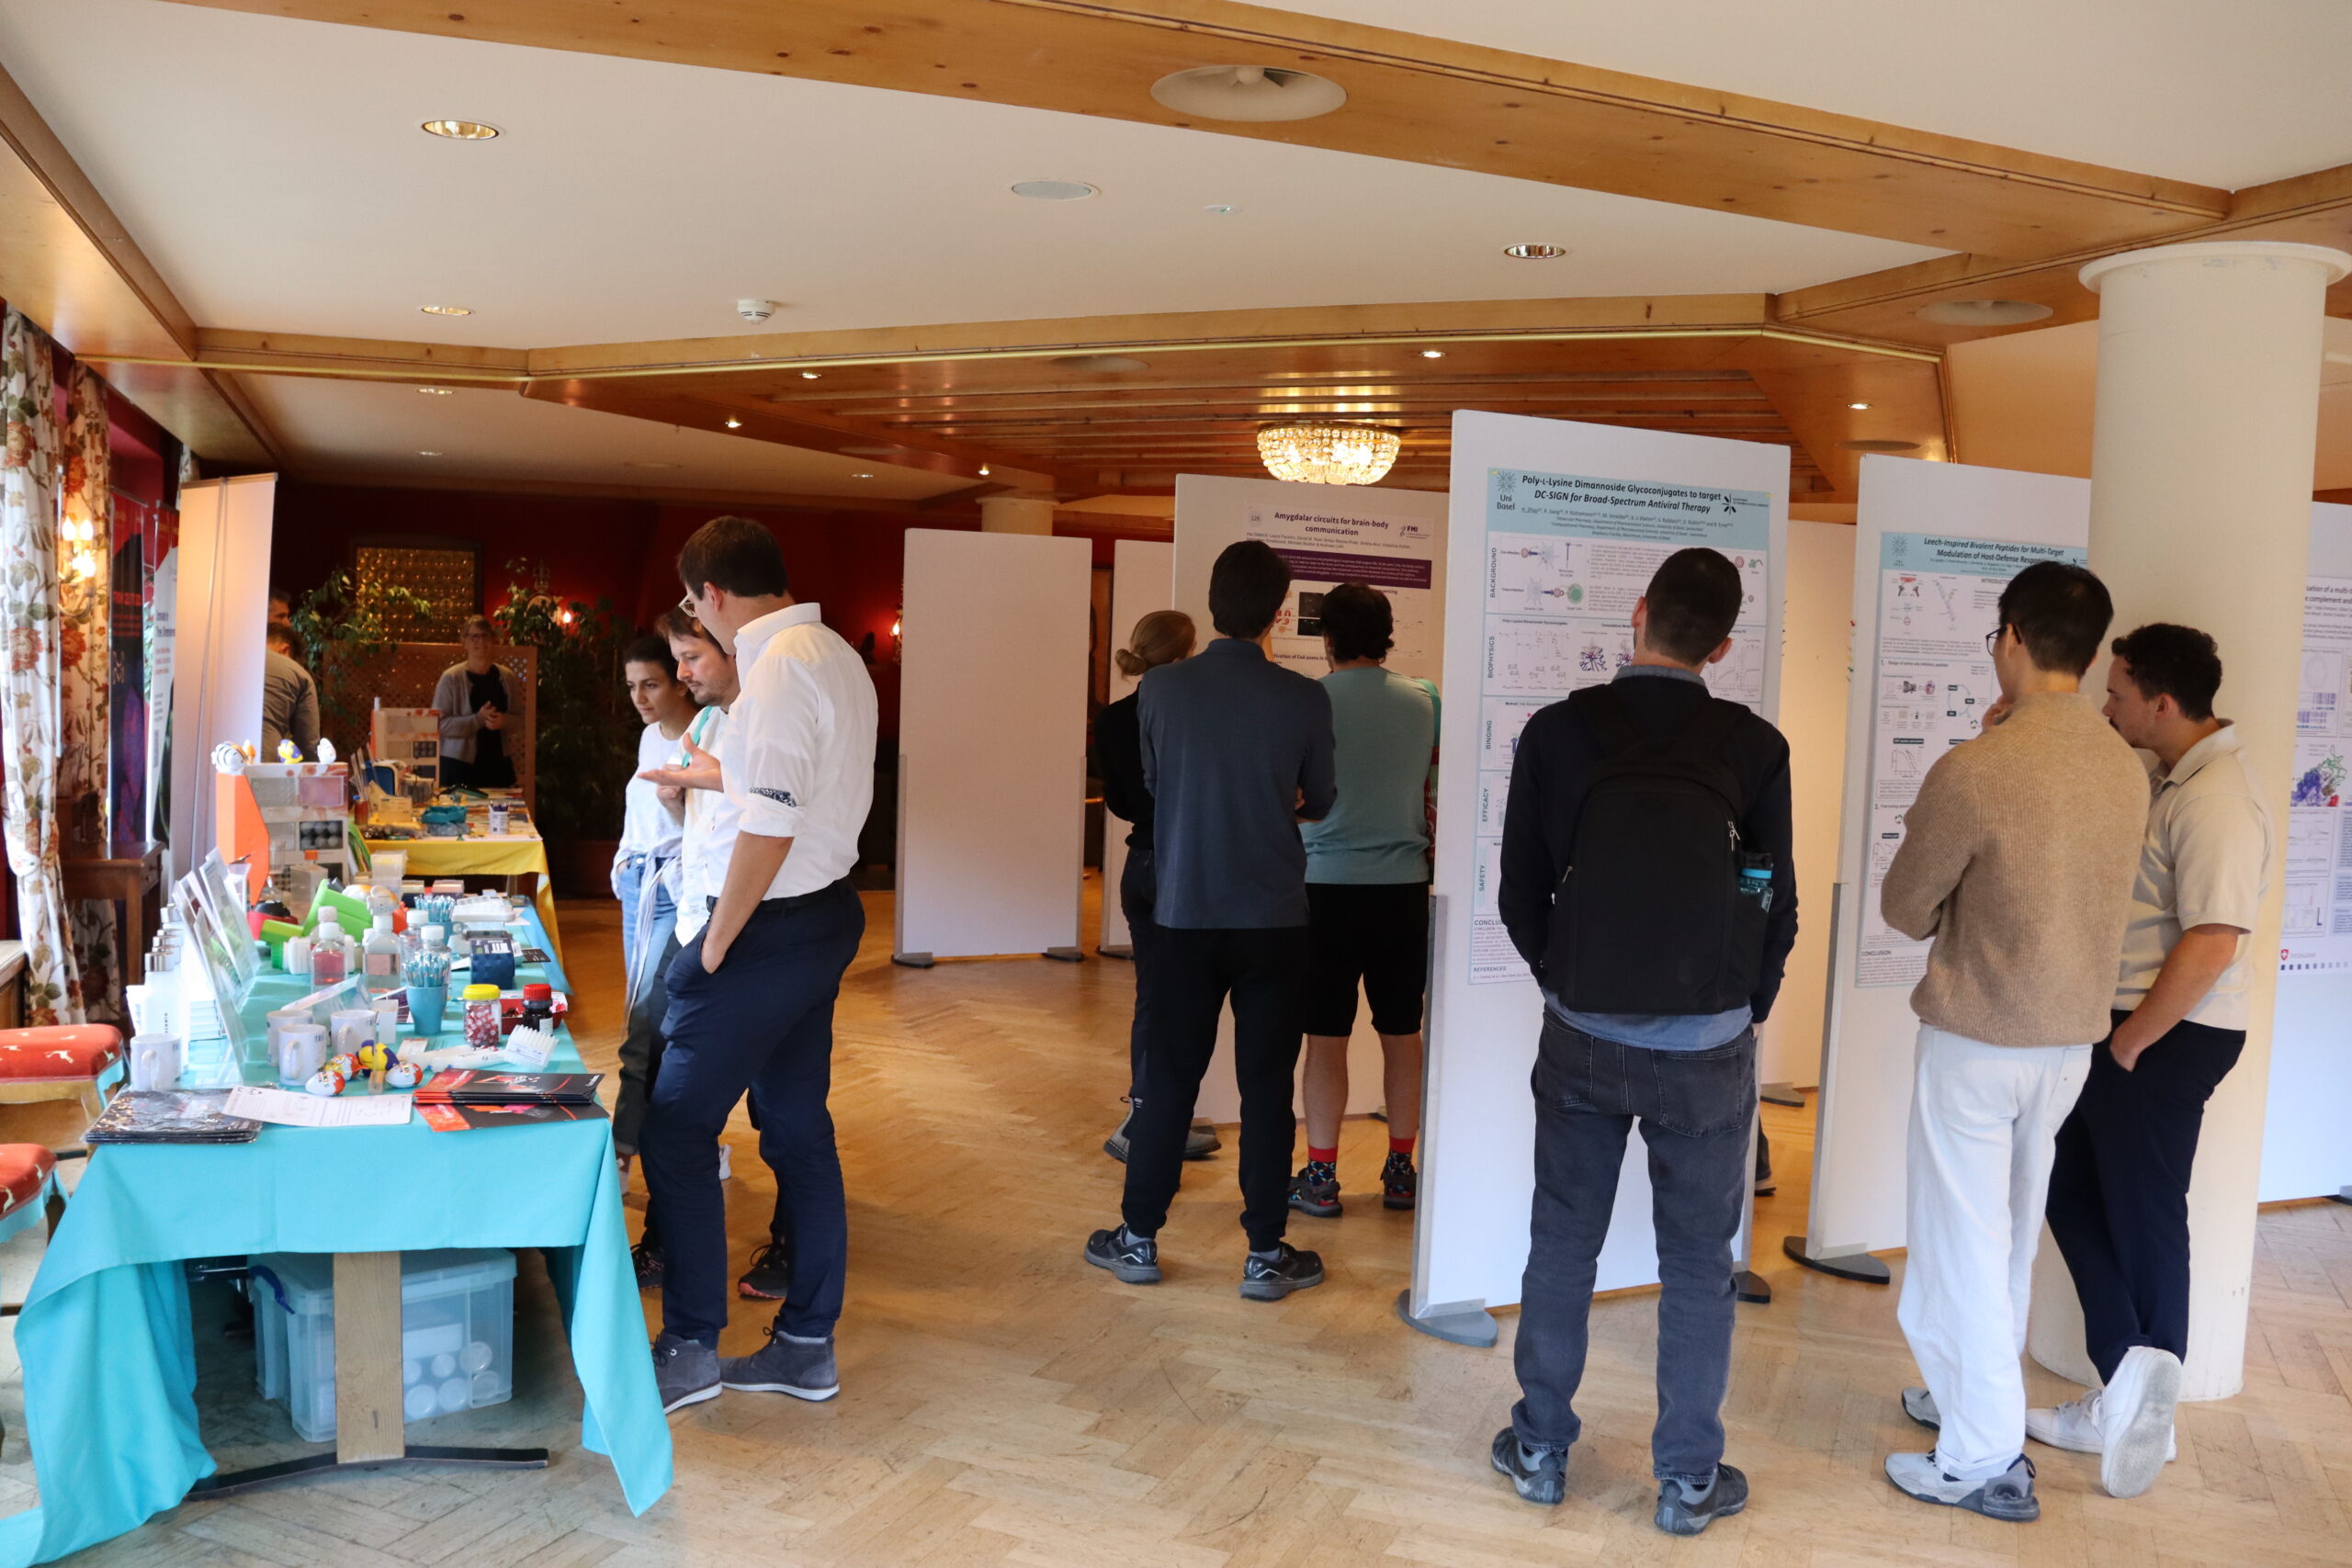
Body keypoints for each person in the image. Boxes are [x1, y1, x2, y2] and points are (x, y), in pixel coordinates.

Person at [1489, 547, 1796, 1536]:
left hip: (1581, 1035)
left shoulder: (1557, 731)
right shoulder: (1755, 747)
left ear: (1639, 613)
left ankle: (1540, 1448)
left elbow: (1518, 889)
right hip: (1708, 1047)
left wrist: (1563, 977)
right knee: (1699, 1263)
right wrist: (1747, 1001)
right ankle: (1689, 1480)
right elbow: (1772, 895)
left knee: (1562, 1241)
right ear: (1722, 646)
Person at [1879, 560, 2147, 1524]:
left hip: (1978, 1038)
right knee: (2006, 1240)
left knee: (1958, 1243)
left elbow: (1905, 906)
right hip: (2067, 1045)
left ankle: (1980, 1455)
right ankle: (1970, 1402)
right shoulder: (2124, 765)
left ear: (2012, 638)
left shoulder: (1976, 768)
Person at [637, 518, 876, 1414]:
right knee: (797, 1127)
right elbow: (779, 794)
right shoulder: (835, 654)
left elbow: (769, 828)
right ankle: (806, 1345)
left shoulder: (774, 669)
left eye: (693, 604)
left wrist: (712, 946)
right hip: (821, 917)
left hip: (765, 929)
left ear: (712, 596)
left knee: (675, 1127)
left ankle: (690, 1347)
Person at [2033, 624, 2271, 1499]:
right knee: (2073, 1189)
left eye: (2119, 693)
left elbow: (2213, 940)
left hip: (2165, 1033)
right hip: (2140, 1029)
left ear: (2163, 703)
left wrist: (2131, 1042)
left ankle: (2145, 1410)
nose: (2108, 707)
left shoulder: (2216, 799)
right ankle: (2133, 1382)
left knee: (2145, 1215)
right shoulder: (2174, 777)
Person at [1084, 541, 1335, 1301]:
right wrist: (1279, 794)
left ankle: (1138, 1238)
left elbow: (1158, 782)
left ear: (1213, 602)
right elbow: (1321, 798)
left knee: (1169, 1079)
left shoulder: (1163, 688)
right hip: (1273, 916)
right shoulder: (1304, 697)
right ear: (1279, 612)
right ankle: (1264, 1252)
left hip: (1184, 911)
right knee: (1266, 1086)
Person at [622, 611, 789, 1304]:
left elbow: (771, 827)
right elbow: (700, 833)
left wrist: (712, 944)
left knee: (776, 1109)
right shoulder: (713, 723)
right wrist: (678, 795)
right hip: (699, 922)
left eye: (689, 658)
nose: (681, 673)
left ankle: (768, 1263)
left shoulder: (764, 720)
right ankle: (671, 1253)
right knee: (669, 1088)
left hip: (745, 934)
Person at [1287, 582, 1439, 1219]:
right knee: (1403, 1033)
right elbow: (1433, 786)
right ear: (1386, 635)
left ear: (1328, 637)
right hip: (1403, 890)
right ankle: (1401, 1169)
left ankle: (1322, 1174)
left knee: (1325, 1038)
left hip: (1323, 890)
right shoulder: (1425, 698)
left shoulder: (1309, 700)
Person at [1091, 609, 1220, 1165]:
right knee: (1182, 1003)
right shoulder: (1189, 715)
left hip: (1140, 864)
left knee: (1154, 997)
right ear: (1185, 654)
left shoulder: (1114, 717)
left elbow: (1121, 801)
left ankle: (1150, 1116)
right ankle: (1147, 1125)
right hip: (1180, 864)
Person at [615, 635, 696, 1011]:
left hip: (673, 884)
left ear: (680, 682)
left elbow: (711, 829)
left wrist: (674, 804)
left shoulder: (703, 737)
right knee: (637, 993)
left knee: (653, 997)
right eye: (632, 686)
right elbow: (640, 813)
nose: (639, 697)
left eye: (650, 684)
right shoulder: (650, 735)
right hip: (636, 879)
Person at [434, 615, 516, 789]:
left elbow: (520, 719)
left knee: (502, 808)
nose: (481, 641)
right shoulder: (451, 678)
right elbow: (438, 724)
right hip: (458, 767)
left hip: (498, 766)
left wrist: (504, 721)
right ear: (464, 641)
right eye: (475, 636)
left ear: (493, 640)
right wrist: (477, 720)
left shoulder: (507, 677)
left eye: (486, 636)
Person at [259, 620, 320, 761]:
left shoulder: (225, 658)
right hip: (264, 763)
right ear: (285, 649)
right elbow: (308, 745)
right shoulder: (299, 674)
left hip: (216, 756)